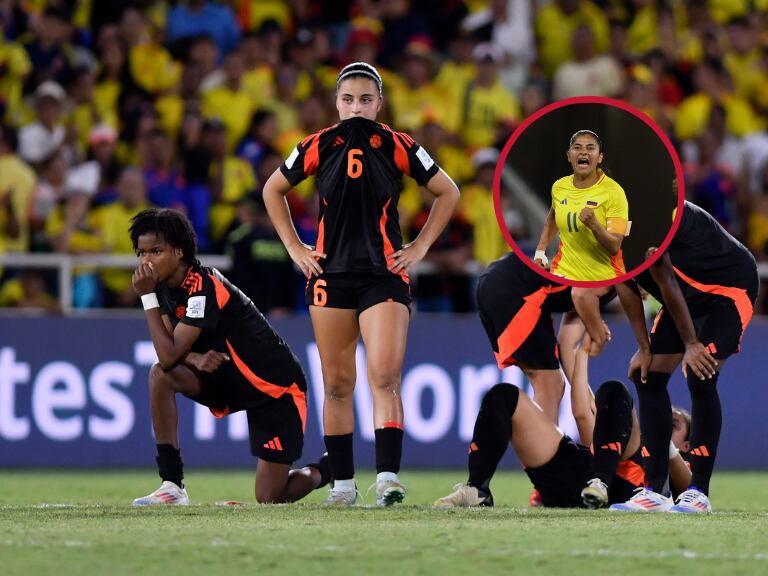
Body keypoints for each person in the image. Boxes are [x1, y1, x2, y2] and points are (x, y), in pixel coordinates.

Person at [263, 62, 460, 506]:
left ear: (379, 104)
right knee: (336, 384)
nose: (356, 106)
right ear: (336, 104)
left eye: (365, 99)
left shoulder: (398, 144)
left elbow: (448, 191)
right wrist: (294, 246)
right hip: (329, 276)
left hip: (384, 275)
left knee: (385, 375)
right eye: (348, 99)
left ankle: (387, 478)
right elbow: (271, 189)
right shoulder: (317, 144)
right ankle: (343, 486)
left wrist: (421, 246)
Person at [129, 208, 330, 505]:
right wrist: (194, 359)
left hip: (274, 387)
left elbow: (170, 352)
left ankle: (328, 467)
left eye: (156, 251)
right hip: (226, 378)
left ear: (179, 250)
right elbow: (171, 353)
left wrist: (145, 298)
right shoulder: (162, 287)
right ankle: (172, 485)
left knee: (269, 498)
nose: (147, 261)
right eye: (142, 253)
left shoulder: (204, 286)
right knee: (160, 375)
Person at [612, 193, 758, 513]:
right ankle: (655, 492)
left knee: (699, 371)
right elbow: (625, 287)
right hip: (684, 294)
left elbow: (664, 278)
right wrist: (644, 347)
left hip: (729, 288)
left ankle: (699, 493)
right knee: (645, 373)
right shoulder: (606, 230)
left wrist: (692, 344)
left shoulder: (652, 218)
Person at [434, 330, 692, 509]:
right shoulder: (622, 436)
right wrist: (582, 354)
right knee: (504, 396)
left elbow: (687, 485)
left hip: (621, 487)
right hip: (579, 478)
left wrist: (659, 439)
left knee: (615, 392)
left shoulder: (684, 473)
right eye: (660, 418)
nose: (660, 422)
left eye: (672, 425)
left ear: (686, 446)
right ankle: (478, 489)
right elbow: (582, 415)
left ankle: (600, 481)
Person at [534, 130, 629, 282]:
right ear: (568, 156)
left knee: (582, 297)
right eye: (577, 147)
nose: (583, 152)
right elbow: (552, 219)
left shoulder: (614, 192)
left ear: (600, 157)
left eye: (590, 148)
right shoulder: (559, 187)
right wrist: (540, 251)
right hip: (563, 270)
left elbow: (614, 247)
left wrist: (595, 225)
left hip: (603, 277)